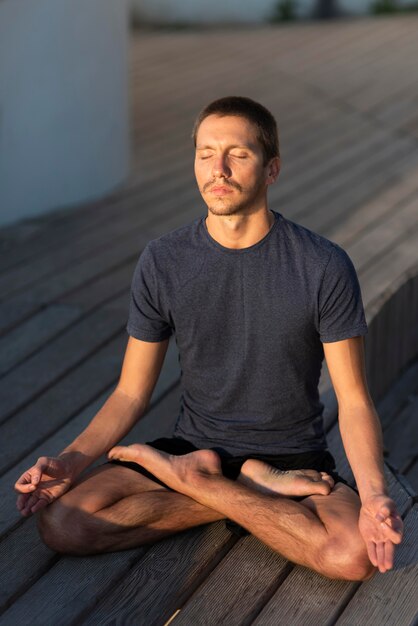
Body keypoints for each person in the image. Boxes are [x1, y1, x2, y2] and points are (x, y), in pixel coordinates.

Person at [15, 96, 403, 581]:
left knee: (355, 555)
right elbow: (131, 392)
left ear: (271, 169)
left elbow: (353, 400)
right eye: (205, 153)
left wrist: (373, 496)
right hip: (193, 444)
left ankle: (206, 483)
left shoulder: (322, 266)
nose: (217, 169)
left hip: (293, 457)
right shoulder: (164, 261)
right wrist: (70, 463)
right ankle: (241, 486)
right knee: (64, 523)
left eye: (237, 154)